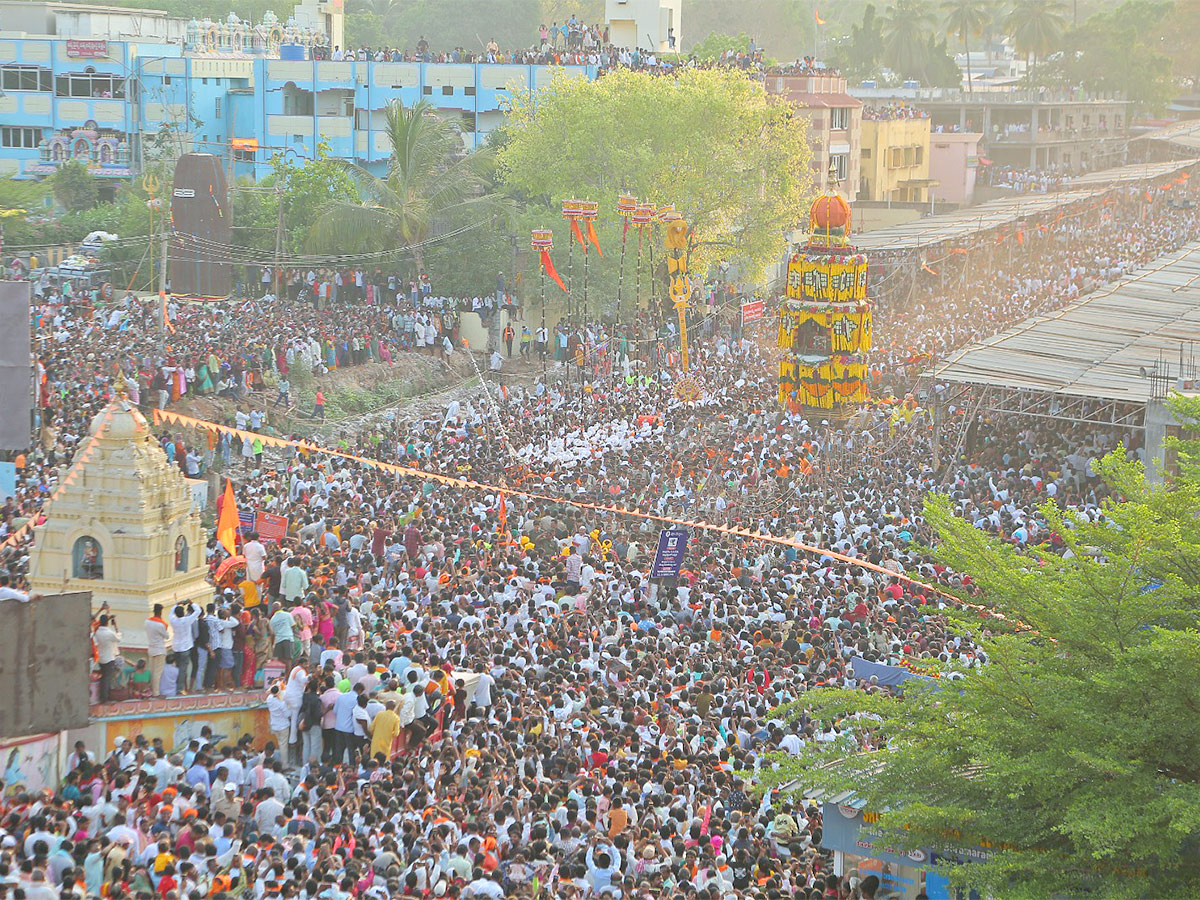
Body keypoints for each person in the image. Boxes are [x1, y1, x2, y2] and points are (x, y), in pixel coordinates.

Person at [93, 613, 122, 702]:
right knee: (107, 679)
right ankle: (105, 699)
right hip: (109, 658)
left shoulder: (97, 632)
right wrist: (116, 626)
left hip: (101, 658)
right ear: (107, 623)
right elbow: (119, 639)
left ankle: (104, 697)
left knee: (104, 679)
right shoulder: (109, 633)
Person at [144, 604, 171, 696]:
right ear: (160, 612)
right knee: (157, 673)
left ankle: (151, 691)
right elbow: (167, 636)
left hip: (151, 649)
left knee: (152, 671)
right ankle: (156, 693)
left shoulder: (147, 622)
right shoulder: (160, 625)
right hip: (159, 650)